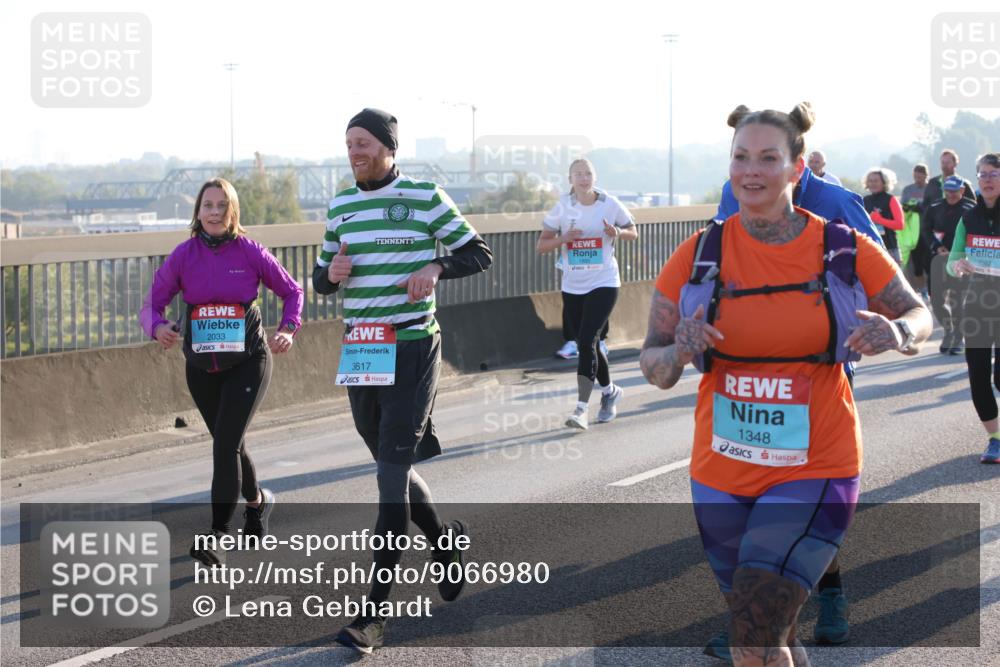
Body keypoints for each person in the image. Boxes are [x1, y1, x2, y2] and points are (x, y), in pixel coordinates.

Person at [641, 102, 932, 666]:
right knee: (773, 636)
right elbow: (654, 368)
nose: (751, 170)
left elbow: (919, 315)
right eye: (741, 157)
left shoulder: (842, 248)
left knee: (751, 636)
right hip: (720, 473)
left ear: (797, 169)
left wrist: (894, 329)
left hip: (814, 466)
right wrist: (680, 345)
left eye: (768, 158)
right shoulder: (699, 255)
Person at [313, 108, 493, 653]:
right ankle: (444, 544)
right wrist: (330, 276)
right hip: (362, 350)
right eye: (349, 143)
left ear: (389, 147)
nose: (355, 151)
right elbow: (322, 278)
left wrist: (436, 267)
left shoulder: (424, 197)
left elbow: (477, 252)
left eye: (364, 142)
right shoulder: (342, 204)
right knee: (391, 466)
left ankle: (373, 616)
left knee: (390, 479)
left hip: (413, 345)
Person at [140, 178, 303, 566]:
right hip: (201, 366)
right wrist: (157, 327)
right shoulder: (183, 255)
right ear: (198, 212)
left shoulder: (250, 251)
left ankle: (216, 535)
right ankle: (257, 503)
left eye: (221, 206)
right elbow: (151, 305)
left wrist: (287, 329)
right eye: (207, 205)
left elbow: (292, 291)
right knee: (230, 443)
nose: (214, 212)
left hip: (249, 361)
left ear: (233, 213)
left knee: (224, 443)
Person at [536, 158, 638, 429]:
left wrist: (617, 231)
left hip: (604, 281)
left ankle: (581, 409)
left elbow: (633, 232)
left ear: (595, 176)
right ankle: (610, 392)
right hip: (573, 285)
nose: (583, 178)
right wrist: (563, 239)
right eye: (578, 174)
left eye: (588, 173)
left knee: (586, 341)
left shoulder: (609, 203)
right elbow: (542, 245)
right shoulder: (563, 207)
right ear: (570, 179)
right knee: (590, 343)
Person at [947, 152, 1000, 464]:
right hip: (977, 302)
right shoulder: (968, 218)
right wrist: (959, 265)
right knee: (978, 374)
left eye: (994, 173)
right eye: (983, 174)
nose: (988, 179)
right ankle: (995, 439)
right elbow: (952, 260)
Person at [923, 176, 976, 354]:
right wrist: (936, 246)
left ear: (962, 190)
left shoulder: (971, 208)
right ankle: (948, 332)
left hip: (961, 260)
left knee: (957, 301)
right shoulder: (935, 207)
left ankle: (958, 339)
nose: (951, 194)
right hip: (939, 258)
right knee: (936, 300)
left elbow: (976, 234)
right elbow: (925, 229)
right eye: (948, 191)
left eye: (955, 191)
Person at [863, 167, 906, 265]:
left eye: (876, 181)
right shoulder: (865, 200)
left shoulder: (891, 199)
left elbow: (900, 225)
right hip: (870, 248)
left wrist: (880, 220)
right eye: (870, 181)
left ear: (884, 182)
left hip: (890, 248)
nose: (873, 183)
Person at [900, 164, 930, 296]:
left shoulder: (931, 188)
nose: (917, 179)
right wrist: (909, 207)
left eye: (920, 176)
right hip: (912, 232)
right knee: (917, 263)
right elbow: (903, 206)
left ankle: (931, 289)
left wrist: (922, 208)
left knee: (928, 263)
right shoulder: (908, 189)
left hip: (928, 229)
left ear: (925, 175)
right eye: (915, 176)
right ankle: (922, 290)